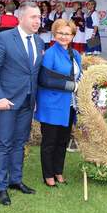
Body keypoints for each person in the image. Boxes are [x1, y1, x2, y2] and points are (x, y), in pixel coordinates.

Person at [0, 2, 44, 205]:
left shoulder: (39, 42)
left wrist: (34, 98)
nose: (38, 21)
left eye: (39, 17)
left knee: (20, 143)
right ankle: (1, 188)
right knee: (4, 144)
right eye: (33, 17)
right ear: (20, 18)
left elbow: (33, 73)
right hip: (7, 102)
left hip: (28, 102)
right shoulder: (3, 38)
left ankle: (15, 180)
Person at [35, 18, 82, 187]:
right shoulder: (50, 54)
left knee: (62, 141)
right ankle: (48, 175)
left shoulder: (75, 54)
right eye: (60, 33)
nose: (63, 36)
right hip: (52, 104)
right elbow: (45, 79)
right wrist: (72, 85)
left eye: (67, 33)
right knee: (50, 142)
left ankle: (58, 171)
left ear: (72, 36)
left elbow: (79, 76)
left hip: (69, 105)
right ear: (54, 34)